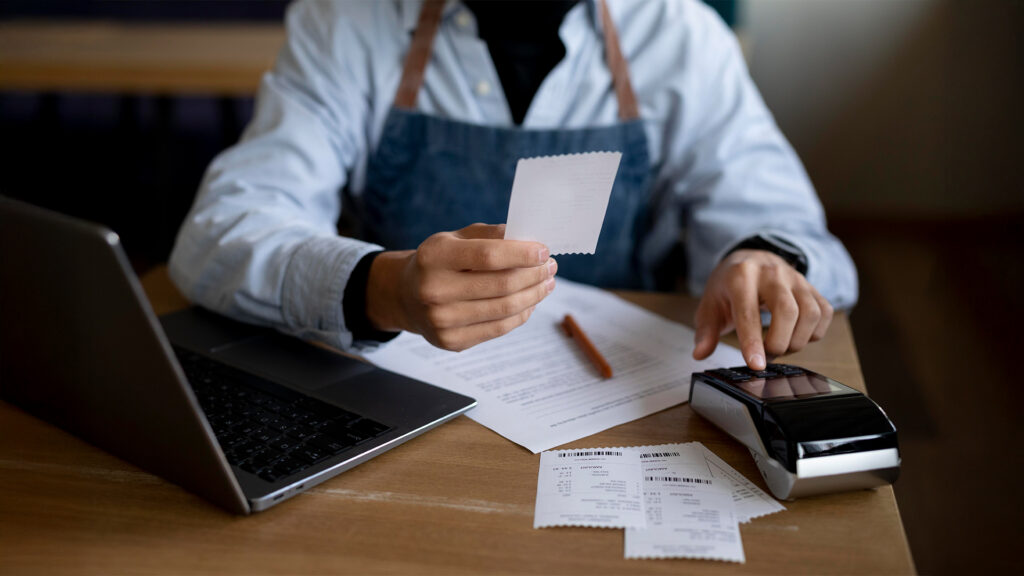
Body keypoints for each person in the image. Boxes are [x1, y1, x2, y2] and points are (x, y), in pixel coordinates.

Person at [169, 0, 858, 371]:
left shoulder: (681, 36)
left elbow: (800, 236)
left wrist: (764, 259)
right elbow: (216, 235)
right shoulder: (345, 23)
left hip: (615, 402)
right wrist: (383, 289)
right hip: (396, 401)